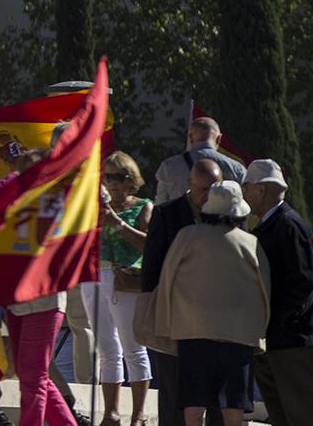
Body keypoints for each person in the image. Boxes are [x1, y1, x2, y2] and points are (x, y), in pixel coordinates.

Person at [0, 141, 75, 426]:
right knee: (33, 376)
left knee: (34, 378)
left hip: (45, 298)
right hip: (16, 300)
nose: (18, 179)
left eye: (26, 174)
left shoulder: (56, 206)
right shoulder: (16, 205)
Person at [150, 181, 270, 426]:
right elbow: (264, 291)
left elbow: (167, 279)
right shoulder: (250, 243)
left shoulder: (187, 236)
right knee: (233, 405)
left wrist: (165, 325)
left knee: (193, 405)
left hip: (193, 332)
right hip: (238, 336)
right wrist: (260, 333)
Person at [243, 158, 313, 426]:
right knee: (281, 414)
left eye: (246, 188)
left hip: (292, 340)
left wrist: (272, 321)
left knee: (300, 413)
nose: (244, 194)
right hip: (278, 338)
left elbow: (302, 284)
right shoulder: (275, 225)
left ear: (260, 189)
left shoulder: (288, 226)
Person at [139, 155, 224, 426]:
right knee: (174, 394)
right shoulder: (166, 214)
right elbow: (151, 270)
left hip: (215, 324)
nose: (208, 196)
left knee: (214, 396)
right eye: (203, 190)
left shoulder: (229, 215)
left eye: (215, 188)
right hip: (175, 320)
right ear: (189, 184)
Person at [85, 152, 154, 426]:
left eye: (117, 176)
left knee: (133, 348)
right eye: (107, 176)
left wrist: (118, 222)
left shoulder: (144, 206)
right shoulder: (94, 208)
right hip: (93, 277)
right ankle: (111, 414)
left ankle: (138, 415)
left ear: (130, 179)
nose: (111, 182)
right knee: (106, 349)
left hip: (125, 279)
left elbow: (149, 244)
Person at [152, 117, 249, 204]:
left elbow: (161, 203)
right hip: (221, 223)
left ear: (190, 138)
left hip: (180, 223)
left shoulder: (169, 166)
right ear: (219, 139)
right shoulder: (236, 168)